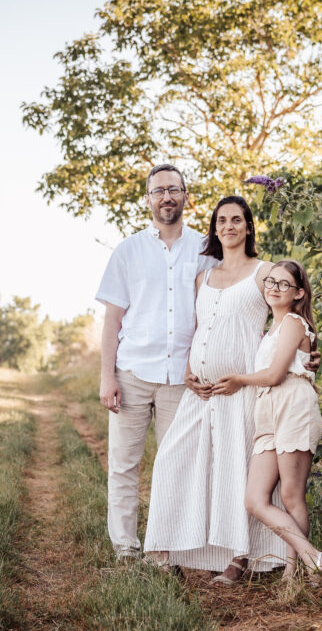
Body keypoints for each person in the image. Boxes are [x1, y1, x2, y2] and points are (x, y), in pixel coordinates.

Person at [143, 195, 290, 583]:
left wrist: (307, 352)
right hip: (201, 391)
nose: (229, 226)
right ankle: (169, 546)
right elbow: (199, 329)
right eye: (222, 220)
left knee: (232, 470)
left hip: (239, 391)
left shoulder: (265, 272)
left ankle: (238, 559)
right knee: (172, 460)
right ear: (214, 229)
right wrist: (190, 370)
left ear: (248, 227)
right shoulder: (202, 278)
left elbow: (291, 316)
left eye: (237, 220)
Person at [95, 163, 219, 561]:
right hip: (131, 373)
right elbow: (112, 320)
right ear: (148, 200)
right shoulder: (128, 251)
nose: (167, 197)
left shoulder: (205, 250)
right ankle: (125, 547)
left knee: (175, 466)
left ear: (186, 196)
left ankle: (164, 548)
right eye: (158, 191)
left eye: (174, 189)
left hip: (181, 378)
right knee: (123, 466)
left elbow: (214, 313)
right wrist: (107, 377)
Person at [212, 259, 322, 582]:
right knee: (255, 499)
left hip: (293, 407)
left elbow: (276, 374)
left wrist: (238, 379)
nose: (274, 288)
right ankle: (313, 558)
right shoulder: (271, 330)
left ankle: (295, 572)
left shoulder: (294, 322)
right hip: (267, 412)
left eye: (283, 284)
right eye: (270, 281)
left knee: (291, 495)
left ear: (298, 293)